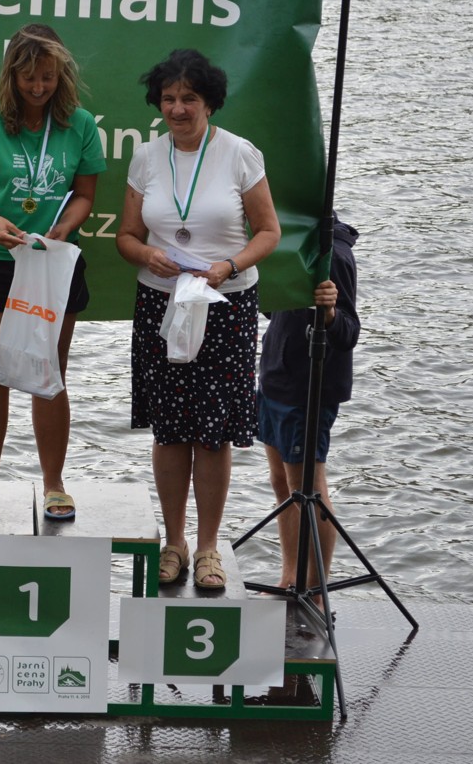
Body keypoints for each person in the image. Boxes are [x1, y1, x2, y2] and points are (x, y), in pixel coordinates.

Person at [116, 49, 281, 589]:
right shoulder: (146, 157)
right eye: (168, 99)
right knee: (169, 430)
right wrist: (147, 255)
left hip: (225, 304)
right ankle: (174, 543)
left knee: (212, 434)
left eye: (189, 98)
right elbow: (126, 237)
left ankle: (208, 547)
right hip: (161, 304)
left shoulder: (239, 154)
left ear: (209, 102)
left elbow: (269, 232)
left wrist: (228, 266)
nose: (178, 109)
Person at [0, 23, 106, 522]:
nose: (38, 87)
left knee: (49, 370)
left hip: (51, 262)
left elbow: (85, 195)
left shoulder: (80, 125)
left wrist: (63, 229)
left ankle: (55, 485)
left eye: (47, 77)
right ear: (11, 75)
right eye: (29, 77)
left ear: (61, 75)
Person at [258, 215, 360, 602]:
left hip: (309, 387)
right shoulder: (288, 243)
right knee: (281, 483)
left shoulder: (335, 255)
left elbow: (349, 331)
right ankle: (290, 579)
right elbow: (276, 310)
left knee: (309, 489)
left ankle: (316, 590)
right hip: (275, 375)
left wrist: (330, 315)